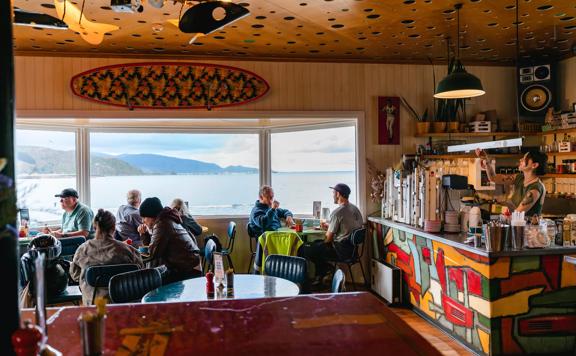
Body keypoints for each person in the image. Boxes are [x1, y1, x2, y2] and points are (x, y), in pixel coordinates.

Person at [70, 209, 143, 305]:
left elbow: (75, 275)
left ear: (94, 227)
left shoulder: (83, 250)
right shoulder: (129, 250)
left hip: (93, 304)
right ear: (114, 228)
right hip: (125, 303)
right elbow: (140, 271)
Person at [300, 183, 364, 285]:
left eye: (333, 193)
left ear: (338, 194)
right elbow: (348, 226)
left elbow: (328, 239)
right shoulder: (355, 209)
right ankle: (320, 276)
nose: (333, 195)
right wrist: (330, 226)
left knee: (305, 248)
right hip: (353, 251)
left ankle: (326, 270)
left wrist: (327, 233)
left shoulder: (337, 212)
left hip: (340, 251)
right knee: (317, 243)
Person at [139, 197, 202, 285]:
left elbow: (152, 254)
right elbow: (154, 249)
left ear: (151, 216)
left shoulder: (162, 225)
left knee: (147, 279)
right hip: (187, 264)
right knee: (152, 271)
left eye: (144, 217)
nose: (143, 221)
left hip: (185, 269)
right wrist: (145, 234)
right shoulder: (167, 218)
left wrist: (133, 257)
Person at [476, 149, 547, 217]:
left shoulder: (535, 188)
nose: (520, 160)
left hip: (529, 228)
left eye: (524, 159)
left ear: (534, 165)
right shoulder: (519, 178)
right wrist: (486, 160)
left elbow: (518, 213)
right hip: (517, 226)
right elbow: (493, 178)